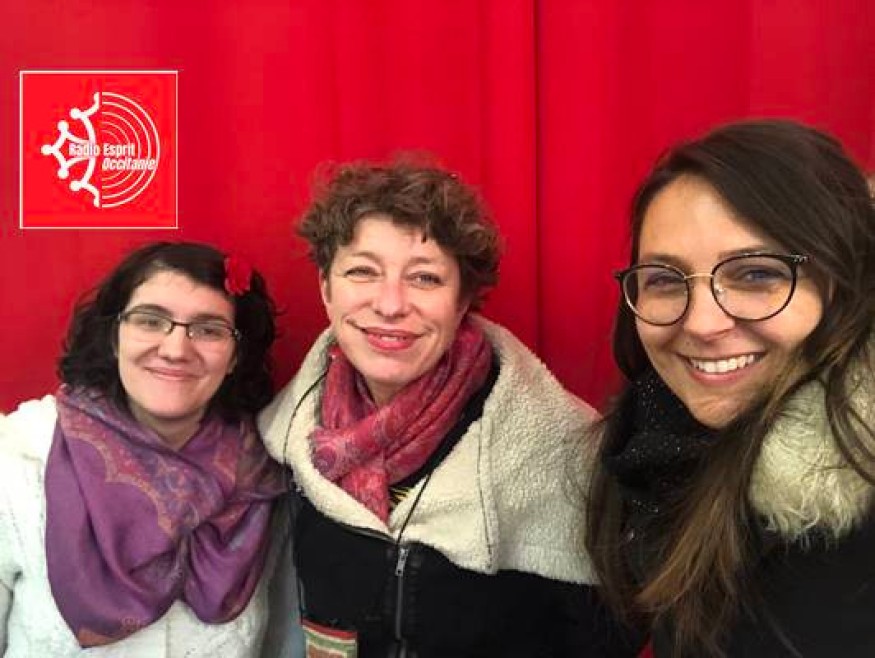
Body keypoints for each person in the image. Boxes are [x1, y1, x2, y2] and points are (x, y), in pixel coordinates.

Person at [258, 161, 639, 657]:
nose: (390, 304)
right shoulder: (282, 442)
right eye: (362, 271)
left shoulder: (569, 452)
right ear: (327, 289)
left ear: (462, 302)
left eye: (425, 278)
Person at [585, 119, 875, 657]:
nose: (701, 323)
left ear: (848, 282)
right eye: (665, 280)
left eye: (756, 274)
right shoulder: (650, 444)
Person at [0, 242, 286, 657]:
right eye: (150, 321)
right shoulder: (20, 456)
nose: (175, 350)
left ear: (236, 356)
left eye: (208, 329)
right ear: (115, 337)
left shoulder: (266, 474)